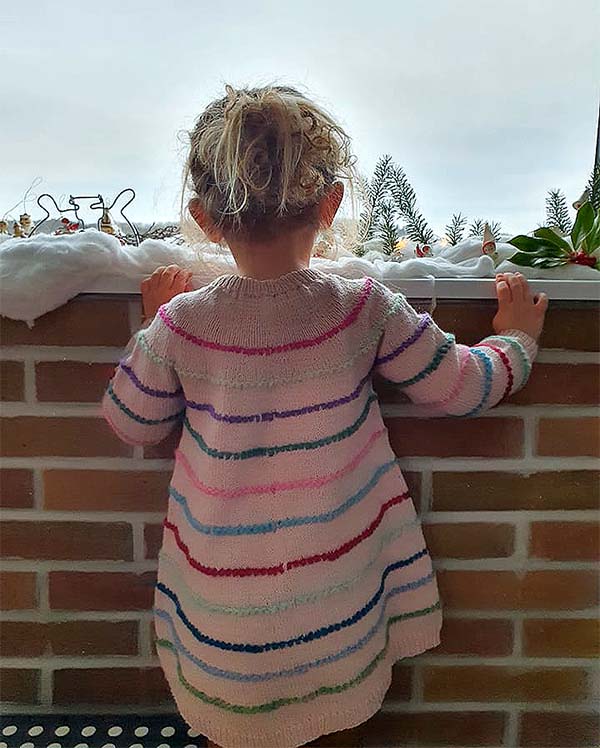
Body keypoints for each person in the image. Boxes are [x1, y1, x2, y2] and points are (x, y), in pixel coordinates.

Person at [101, 84, 548, 748]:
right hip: (336, 603)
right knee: (337, 723)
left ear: (204, 218)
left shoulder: (182, 325)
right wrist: (517, 339)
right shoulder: (361, 307)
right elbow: (460, 386)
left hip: (224, 615)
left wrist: (150, 330)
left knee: (233, 729)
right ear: (331, 202)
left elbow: (132, 420)